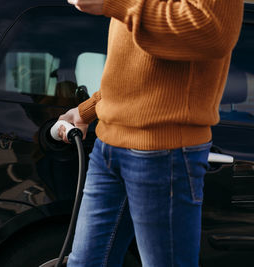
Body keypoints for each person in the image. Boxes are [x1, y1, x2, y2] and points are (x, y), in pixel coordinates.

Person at [57, 0, 244, 266]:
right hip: (108, 145)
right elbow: (137, 70)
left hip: (162, 151)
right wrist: (87, 111)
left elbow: (212, 33)